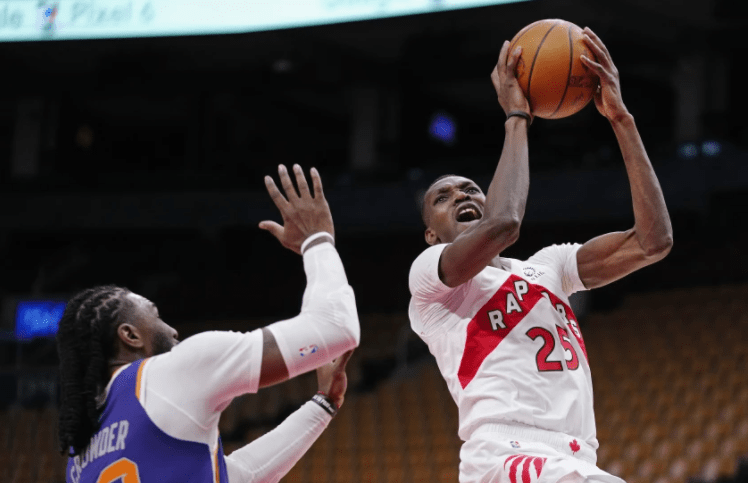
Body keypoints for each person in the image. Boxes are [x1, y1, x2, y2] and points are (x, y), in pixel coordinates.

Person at [408, 29, 672, 483]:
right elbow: (504, 224)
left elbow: (652, 242)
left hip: (574, 455)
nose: (461, 195)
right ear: (431, 234)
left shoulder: (549, 266)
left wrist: (621, 120)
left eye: (470, 188)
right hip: (506, 453)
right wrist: (517, 117)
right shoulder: (429, 278)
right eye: (443, 197)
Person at [57, 165, 360, 483]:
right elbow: (336, 325)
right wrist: (317, 241)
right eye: (155, 315)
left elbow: (237, 476)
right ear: (130, 335)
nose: (172, 330)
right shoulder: (169, 373)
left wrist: (322, 405)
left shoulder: (79, 454)